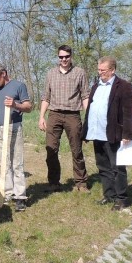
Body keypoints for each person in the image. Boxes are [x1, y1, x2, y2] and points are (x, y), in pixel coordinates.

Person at [81, 57, 132, 211]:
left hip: (113, 134)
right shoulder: (95, 86)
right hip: (96, 133)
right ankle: (109, 195)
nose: (100, 73)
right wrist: (85, 131)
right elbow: (90, 110)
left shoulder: (123, 86)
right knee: (103, 167)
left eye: (103, 70)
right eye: (98, 70)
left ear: (113, 70)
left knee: (117, 167)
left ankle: (121, 199)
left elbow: (129, 112)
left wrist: (127, 133)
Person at [38, 44, 91, 192]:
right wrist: (42, 117)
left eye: (66, 56)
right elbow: (46, 97)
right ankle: (54, 182)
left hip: (73, 115)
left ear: (71, 56)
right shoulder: (50, 73)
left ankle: (81, 182)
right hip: (54, 114)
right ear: (58, 57)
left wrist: (89, 117)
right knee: (51, 150)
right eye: (61, 57)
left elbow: (85, 96)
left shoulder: (80, 73)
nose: (64, 59)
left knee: (77, 149)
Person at [0, 65, 32, 211]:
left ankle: (20, 197)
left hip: (14, 127)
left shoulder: (18, 86)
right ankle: (7, 192)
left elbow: (28, 106)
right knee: (3, 163)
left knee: (16, 163)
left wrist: (14, 104)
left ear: (3, 74)